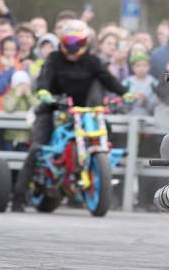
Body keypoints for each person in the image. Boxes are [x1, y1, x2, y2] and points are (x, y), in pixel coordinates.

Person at [10, 23, 127, 211]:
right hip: (53, 107)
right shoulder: (54, 58)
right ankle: (18, 197)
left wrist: (124, 93)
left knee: (106, 129)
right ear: (62, 43)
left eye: (77, 43)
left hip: (84, 111)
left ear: (85, 43)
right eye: (68, 43)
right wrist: (43, 91)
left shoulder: (92, 61)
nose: (72, 48)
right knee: (37, 148)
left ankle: (98, 172)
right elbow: (45, 77)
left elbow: (107, 78)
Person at [122, 52, 159, 117]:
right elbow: (121, 99)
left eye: (144, 65)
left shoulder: (154, 83)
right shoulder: (127, 83)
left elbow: (158, 103)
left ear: (149, 67)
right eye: (138, 65)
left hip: (150, 118)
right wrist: (133, 97)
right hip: (130, 116)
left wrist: (146, 100)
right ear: (132, 67)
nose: (141, 68)